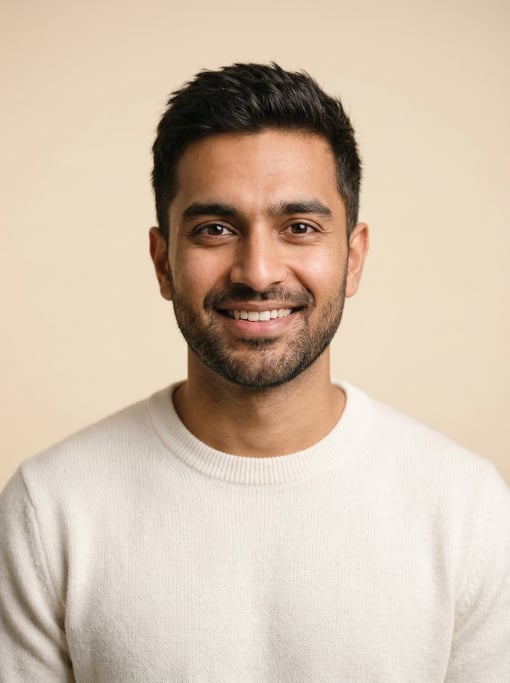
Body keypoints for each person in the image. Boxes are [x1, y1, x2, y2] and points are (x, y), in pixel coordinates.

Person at [0, 63, 509, 682]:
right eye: (216, 229)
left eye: (299, 227)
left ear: (351, 258)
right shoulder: (50, 509)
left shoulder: (469, 510)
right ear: (164, 263)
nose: (258, 270)